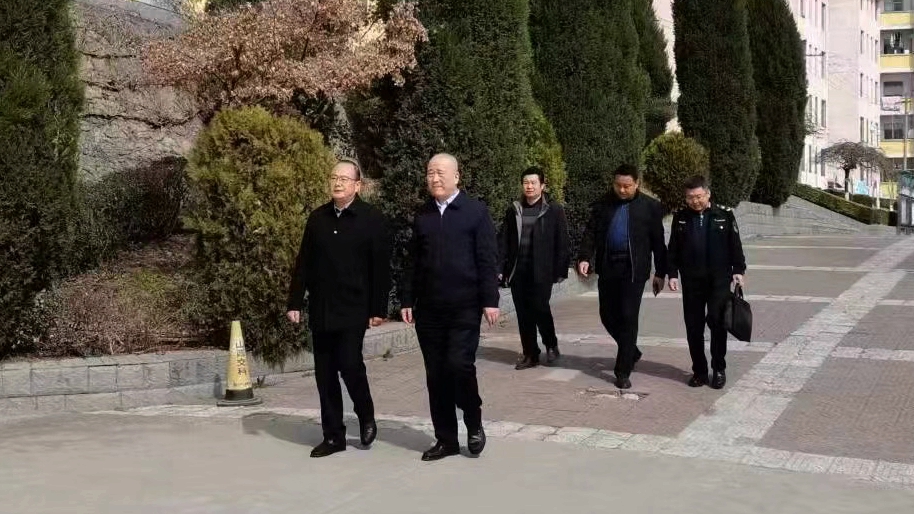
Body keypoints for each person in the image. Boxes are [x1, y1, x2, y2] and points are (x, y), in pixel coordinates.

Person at [286, 158, 391, 458]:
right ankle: (333, 436)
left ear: (358, 185)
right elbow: (304, 262)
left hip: (354, 307)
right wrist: (295, 301)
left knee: (350, 364)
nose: (338, 182)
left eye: (345, 178)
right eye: (334, 177)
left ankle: (365, 414)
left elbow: (380, 268)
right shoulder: (317, 218)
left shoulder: (371, 219)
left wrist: (378, 308)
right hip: (322, 307)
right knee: (324, 373)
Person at [400, 153, 500, 462]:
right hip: (429, 309)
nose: (434, 178)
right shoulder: (423, 215)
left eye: (440, 173)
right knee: (436, 374)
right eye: (430, 173)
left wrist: (490, 300)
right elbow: (413, 262)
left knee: (459, 365)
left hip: (464, 307)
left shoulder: (475, 212)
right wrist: (406, 298)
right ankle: (446, 439)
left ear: (457, 177)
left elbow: (487, 258)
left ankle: (473, 420)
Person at [576, 164, 667, 390]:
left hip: (634, 270)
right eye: (618, 185)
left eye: (627, 186)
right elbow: (590, 232)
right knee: (607, 315)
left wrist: (661, 272)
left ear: (637, 183)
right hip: (609, 267)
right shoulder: (603, 204)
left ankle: (622, 370)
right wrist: (584, 257)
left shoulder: (650, 207)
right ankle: (631, 350)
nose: (622, 190)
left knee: (628, 316)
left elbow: (658, 242)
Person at [667, 175, 746, 390]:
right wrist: (672, 273)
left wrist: (738, 270)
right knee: (693, 327)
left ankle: (718, 369)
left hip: (719, 280)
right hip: (691, 281)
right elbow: (673, 248)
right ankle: (699, 372)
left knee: (717, 323)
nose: (695, 201)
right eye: (690, 197)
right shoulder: (681, 218)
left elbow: (735, 245)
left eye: (699, 196)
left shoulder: (724, 215)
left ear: (708, 194)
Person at [497, 166, 570, 369]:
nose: (529, 186)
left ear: (542, 185)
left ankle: (551, 343)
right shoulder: (514, 210)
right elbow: (504, 240)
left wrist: (560, 269)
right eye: (526, 183)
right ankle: (530, 353)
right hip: (518, 270)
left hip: (541, 270)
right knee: (523, 313)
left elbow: (562, 241)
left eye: (533, 183)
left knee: (540, 308)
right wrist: (499, 266)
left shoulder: (553, 210)